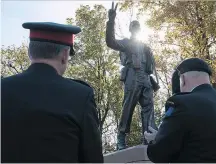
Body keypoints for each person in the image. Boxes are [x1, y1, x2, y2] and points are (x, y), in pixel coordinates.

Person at [1, 22, 103, 163]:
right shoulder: (80, 96)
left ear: (30, 52)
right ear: (65, 55)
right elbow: (93, 159)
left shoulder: (3, 88)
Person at [144, 58, 216, 163]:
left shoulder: (181, 103)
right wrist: (163, 135)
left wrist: (157, 140)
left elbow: (158, 154)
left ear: (183, 79)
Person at [105, 2, 158, 150]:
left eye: (137, 27)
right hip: (132, 75)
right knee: (128, 106)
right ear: (130, 30)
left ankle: (149, 136)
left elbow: (151, 66)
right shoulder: (126, 43)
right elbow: (111, 42)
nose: (135, 29)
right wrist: (111, 21)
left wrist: (152, 80)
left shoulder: (146, 46)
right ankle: (121, 137)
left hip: (146, 78)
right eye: (133, 27)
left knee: (149, 108)